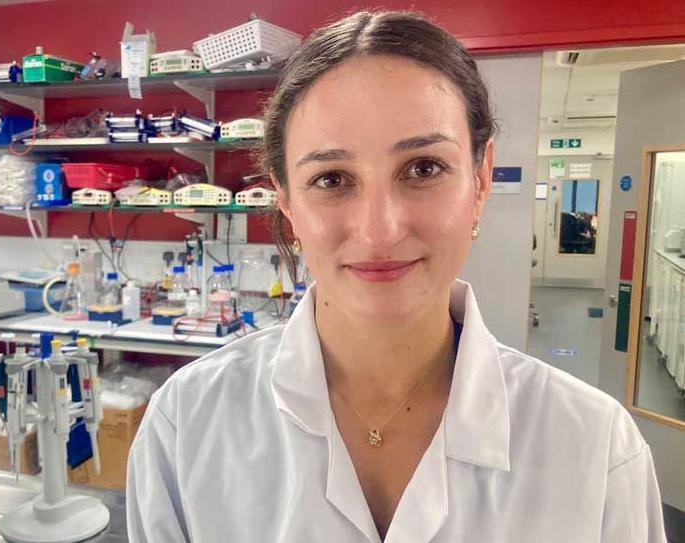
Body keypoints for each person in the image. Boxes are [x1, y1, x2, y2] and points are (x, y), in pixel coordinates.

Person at [126, 10, 666, 542]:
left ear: (479, 180)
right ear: (286, 200)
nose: (379, 231)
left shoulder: (595, 450)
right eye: (332, 178)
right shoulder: (186, 427)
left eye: (423, 168)